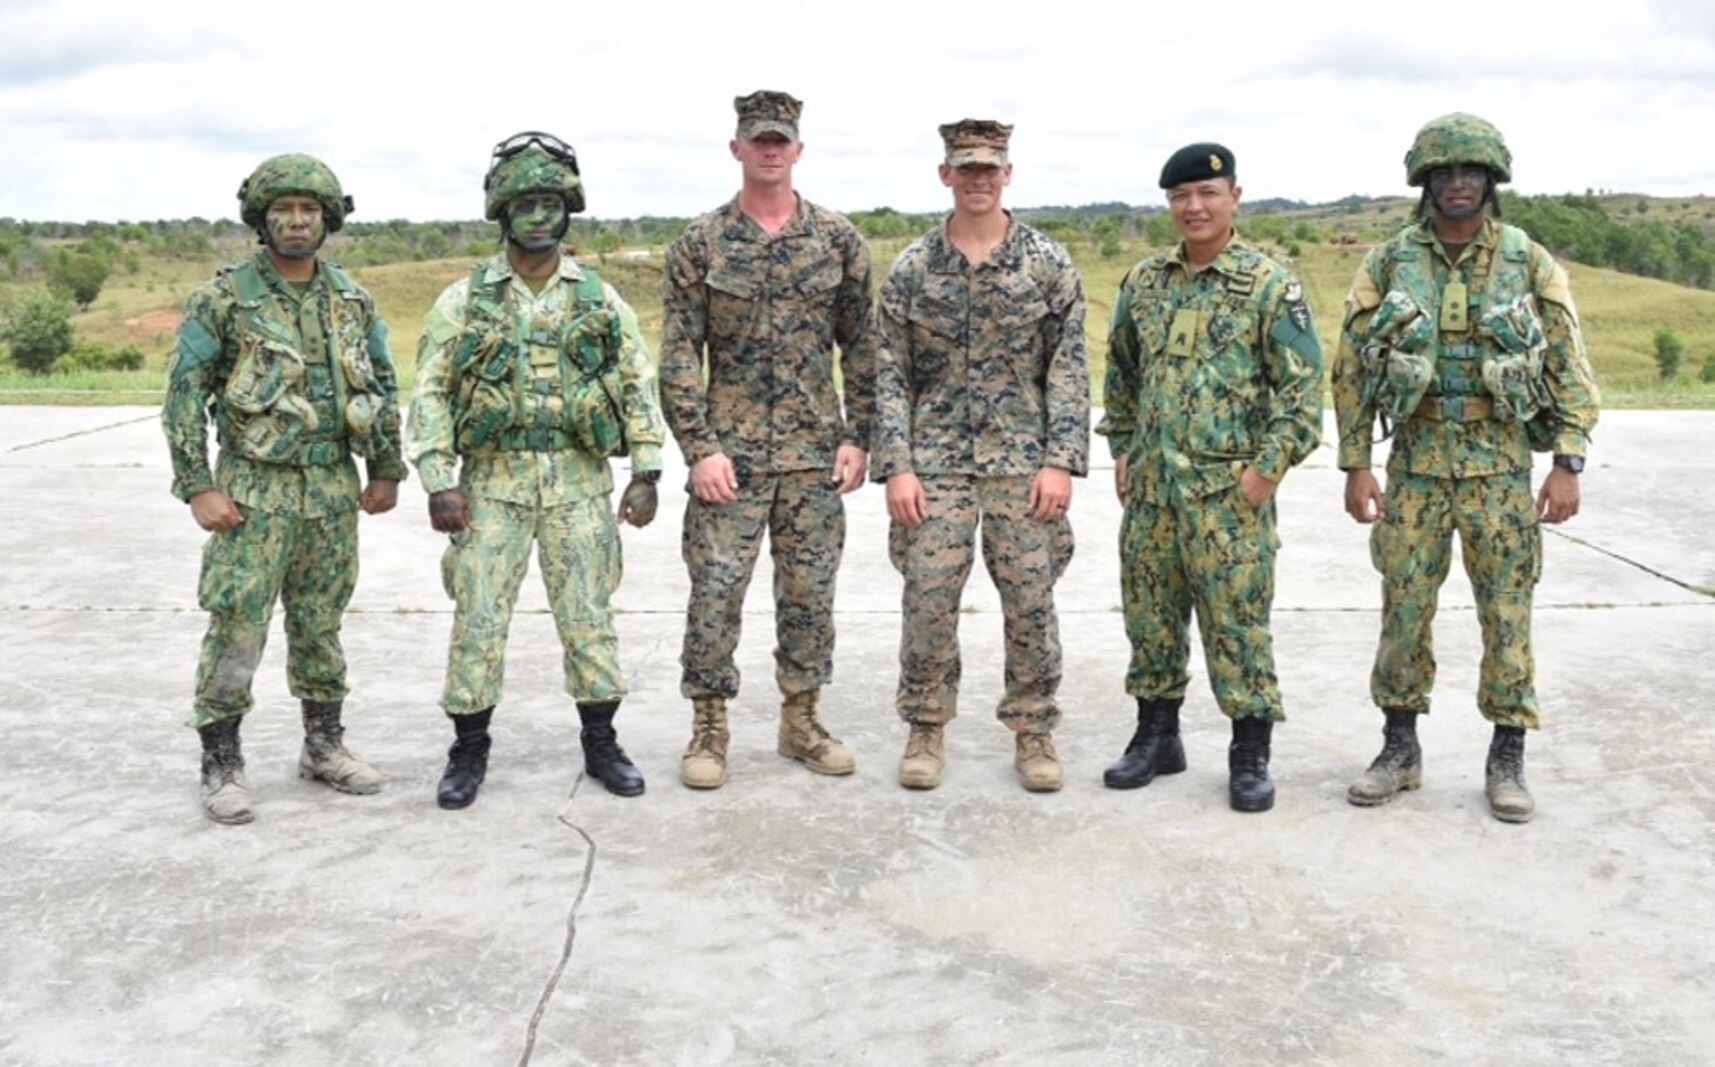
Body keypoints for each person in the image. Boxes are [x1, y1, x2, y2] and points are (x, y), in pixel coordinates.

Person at [1333, 114, 1600, 823]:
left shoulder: (1526, 259)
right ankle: (1399, 747)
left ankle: (1506, 754)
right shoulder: (1389, 261)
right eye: (1443, 173)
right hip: (1415, 466)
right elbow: (1352, 367)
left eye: (1470, 172)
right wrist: (1356, 463)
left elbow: (1569, 364)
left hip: (1498, 469)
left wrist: (1566, 460)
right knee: (1403, 611)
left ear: (1490, 180)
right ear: (1424, 183)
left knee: (1507, 613)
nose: (1457, 184)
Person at [406, 132, 666, 808]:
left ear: (568, 209)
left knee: (588, 614)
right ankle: (467, 748)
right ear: (501, 211)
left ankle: (601, 741)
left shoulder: (598, 298)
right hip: (492, 481)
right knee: (479, 616)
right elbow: (430, 389)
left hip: (579, 481)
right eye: (525, 203)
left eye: (551, 203)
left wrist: (647, 469)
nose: (539, 217)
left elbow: (637, 381)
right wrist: (439, 478)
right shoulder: (464, 301)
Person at [162, 154, 405, 825]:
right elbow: (184, 397)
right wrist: (196, 485)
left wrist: (385, 467)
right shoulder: (224, 298)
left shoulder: (352, 298)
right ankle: (221, 761)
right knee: (238, 622)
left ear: (328, 218)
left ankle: (323, 745)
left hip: (331, 488)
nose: (297, 222)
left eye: (309, 210)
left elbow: (380, 387)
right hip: (252, 491)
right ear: (261, 219)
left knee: (320, 623)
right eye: (283, 210)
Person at [659, 90, 875, 789]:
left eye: (781, 139)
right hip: (733, 459)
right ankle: (709, 724)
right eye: (759, 139)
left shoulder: (837, 241)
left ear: (798, 150)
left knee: (809, 594)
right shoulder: (701, 243)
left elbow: (862, 348)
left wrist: (857, 436)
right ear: (737, 149)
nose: (770, 149)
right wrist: (700, 448)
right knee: (715, 593)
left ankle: (801, 719)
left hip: (815, 459)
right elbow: (676, 356)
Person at [1097, 143, 1323, 813]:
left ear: (1234, 198)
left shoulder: (1267, 285)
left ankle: (1249, 752)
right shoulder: (1144, 282)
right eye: (1179, 196)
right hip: (1153, 494)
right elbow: (1123, 370)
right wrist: (1122, 444)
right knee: (1150, 616)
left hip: (1229, 495)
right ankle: (1156, 736)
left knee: (1237, 625)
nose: (1192, 207)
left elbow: (1302, 392)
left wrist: (1266, 471)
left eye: (1206, 193)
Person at [872, 119, 1088, 792]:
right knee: (928, 599)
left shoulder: (1045, 264)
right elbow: (888, 372)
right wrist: (897, 465)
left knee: (1029, 602)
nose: (977, 179)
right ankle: (926, 724)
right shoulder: (911, 269)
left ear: (1007, 173)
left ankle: (1033, 729)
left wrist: (1060, 460)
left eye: (988, 168)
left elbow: (1069, 368)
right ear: (945, 175)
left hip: (1022, 464)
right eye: (965, 168)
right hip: (933, 465)